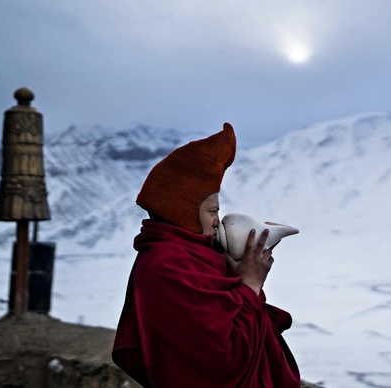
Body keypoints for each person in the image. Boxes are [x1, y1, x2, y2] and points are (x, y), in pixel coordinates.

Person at [112, 123, 301, 387]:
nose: (217, 221)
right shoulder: (168, 265)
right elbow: (222, 359)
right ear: (185, 211)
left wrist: (240, 277)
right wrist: (250, 284)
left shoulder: (196, 257)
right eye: (212, 211)